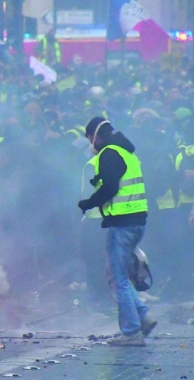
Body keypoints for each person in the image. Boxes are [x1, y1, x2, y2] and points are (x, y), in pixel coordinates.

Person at [77, 117, 157, 346]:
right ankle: (143, 315)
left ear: (95, 135)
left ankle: (131, 332)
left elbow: (110, 188)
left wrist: (89, 203)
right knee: (120, 276)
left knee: (118, 279)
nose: (90, 143)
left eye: (90, 138)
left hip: (122, 224)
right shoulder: (126, 153)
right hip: (137, 220)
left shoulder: (109, 153)